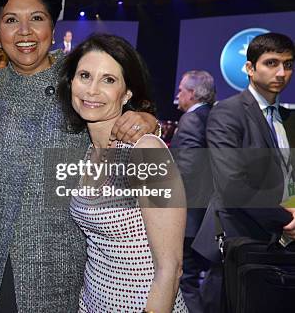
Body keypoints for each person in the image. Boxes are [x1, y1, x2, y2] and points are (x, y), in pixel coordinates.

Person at [0, 0, 159, 312]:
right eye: (11, 20)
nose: (24, 32)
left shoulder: (79, 87)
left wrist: (145, 120)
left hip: (60, 275)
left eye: (37, 18)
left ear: (53, 28)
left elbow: (121, 114)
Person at [59, 34, 188, 312]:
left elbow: (171, 268)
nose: (92, 90)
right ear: (71, 83)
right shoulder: (85, 152)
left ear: (127, 93)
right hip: (93, 302)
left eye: (108, 80)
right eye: (84, 75)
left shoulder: (146, 151)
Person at [192, 32, 295, 311]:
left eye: (288, 64)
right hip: (241, 242)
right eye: (271, 63)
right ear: (250, 68)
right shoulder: (228, 112)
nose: (281, 72)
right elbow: (232, 184)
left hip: (279, 247)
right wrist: (286, 219)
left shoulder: (287, 117)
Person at [172, 70, 215, 313]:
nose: (178, 96)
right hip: (205, 216)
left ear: (193, 93)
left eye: (181, 91)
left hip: (188, 216)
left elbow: (187, 171)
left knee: (186, 280)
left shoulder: (191, 119)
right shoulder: (214, 116)